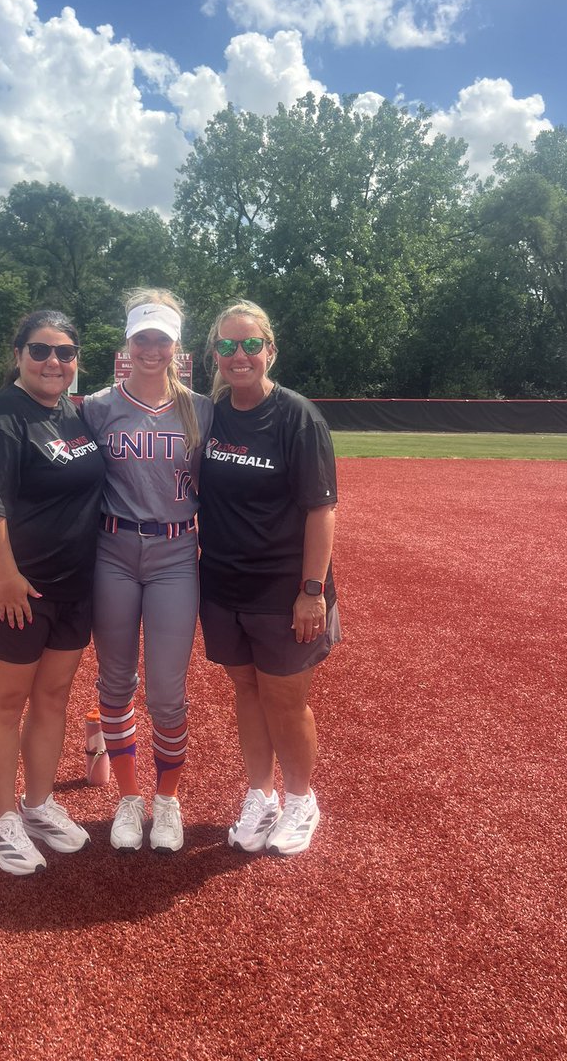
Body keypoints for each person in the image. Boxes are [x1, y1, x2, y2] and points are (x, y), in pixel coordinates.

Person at [0, 310, 105, 876]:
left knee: (54, 696)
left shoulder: (73, 413)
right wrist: (7, 577)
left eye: (65, 353)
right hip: (14, 585)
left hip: (71, 584)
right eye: (40, 351)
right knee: (7, 701)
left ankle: (39, 804)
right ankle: (2, 818)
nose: (53, 362)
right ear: (18, 354)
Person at [197, 300, 341, 856]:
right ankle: (262, 795)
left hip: (284, 588)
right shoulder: (209, 414)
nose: (240, 356)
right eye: (228, 346)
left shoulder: (296, 416)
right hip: (224, 584)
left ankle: (302, 800)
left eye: (250, 345)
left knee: (285, 698)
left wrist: (312, 591)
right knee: (246, 689)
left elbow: (320, 510)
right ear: (215, 354)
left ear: (270, 349)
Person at [82, 290, 213, 853]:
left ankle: (167, 800)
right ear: (127, 344)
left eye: (162, 339)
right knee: (115, 685)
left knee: (166, 690)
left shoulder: (202, 409)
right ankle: (129, 800)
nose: (152, 349)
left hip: (177, 555)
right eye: (143, 339)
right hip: (112, 551)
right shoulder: (96, 407)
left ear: (176, 345)